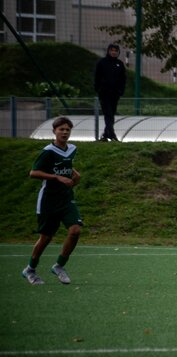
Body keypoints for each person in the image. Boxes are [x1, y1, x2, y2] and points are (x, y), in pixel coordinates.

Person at [22, 116, 82, 285]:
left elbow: (65, 164)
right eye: (61, 129)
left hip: (66, 199)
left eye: (67, 129)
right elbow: (34, 173)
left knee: (75, 231)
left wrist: (75, 175)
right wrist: (56, 177)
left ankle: (59, 266)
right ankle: (30, 269)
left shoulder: (72, 149)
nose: (64, 132)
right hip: (48, 200)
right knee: (46, 238)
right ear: (54, 131)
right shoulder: (48, 151)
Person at [94, 43, 126, 141]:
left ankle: (105, 135)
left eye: (116, 51)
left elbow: (123, 79)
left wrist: (120, 91)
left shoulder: (120, 64)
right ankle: (112, 135)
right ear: (108, 51)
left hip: (115, 94)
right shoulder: (102, 63)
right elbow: (97, 77)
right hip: (104, 93)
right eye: (112, 50)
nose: (114, 52)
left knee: (111, 114)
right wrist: (98, 89)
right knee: (108, 114)